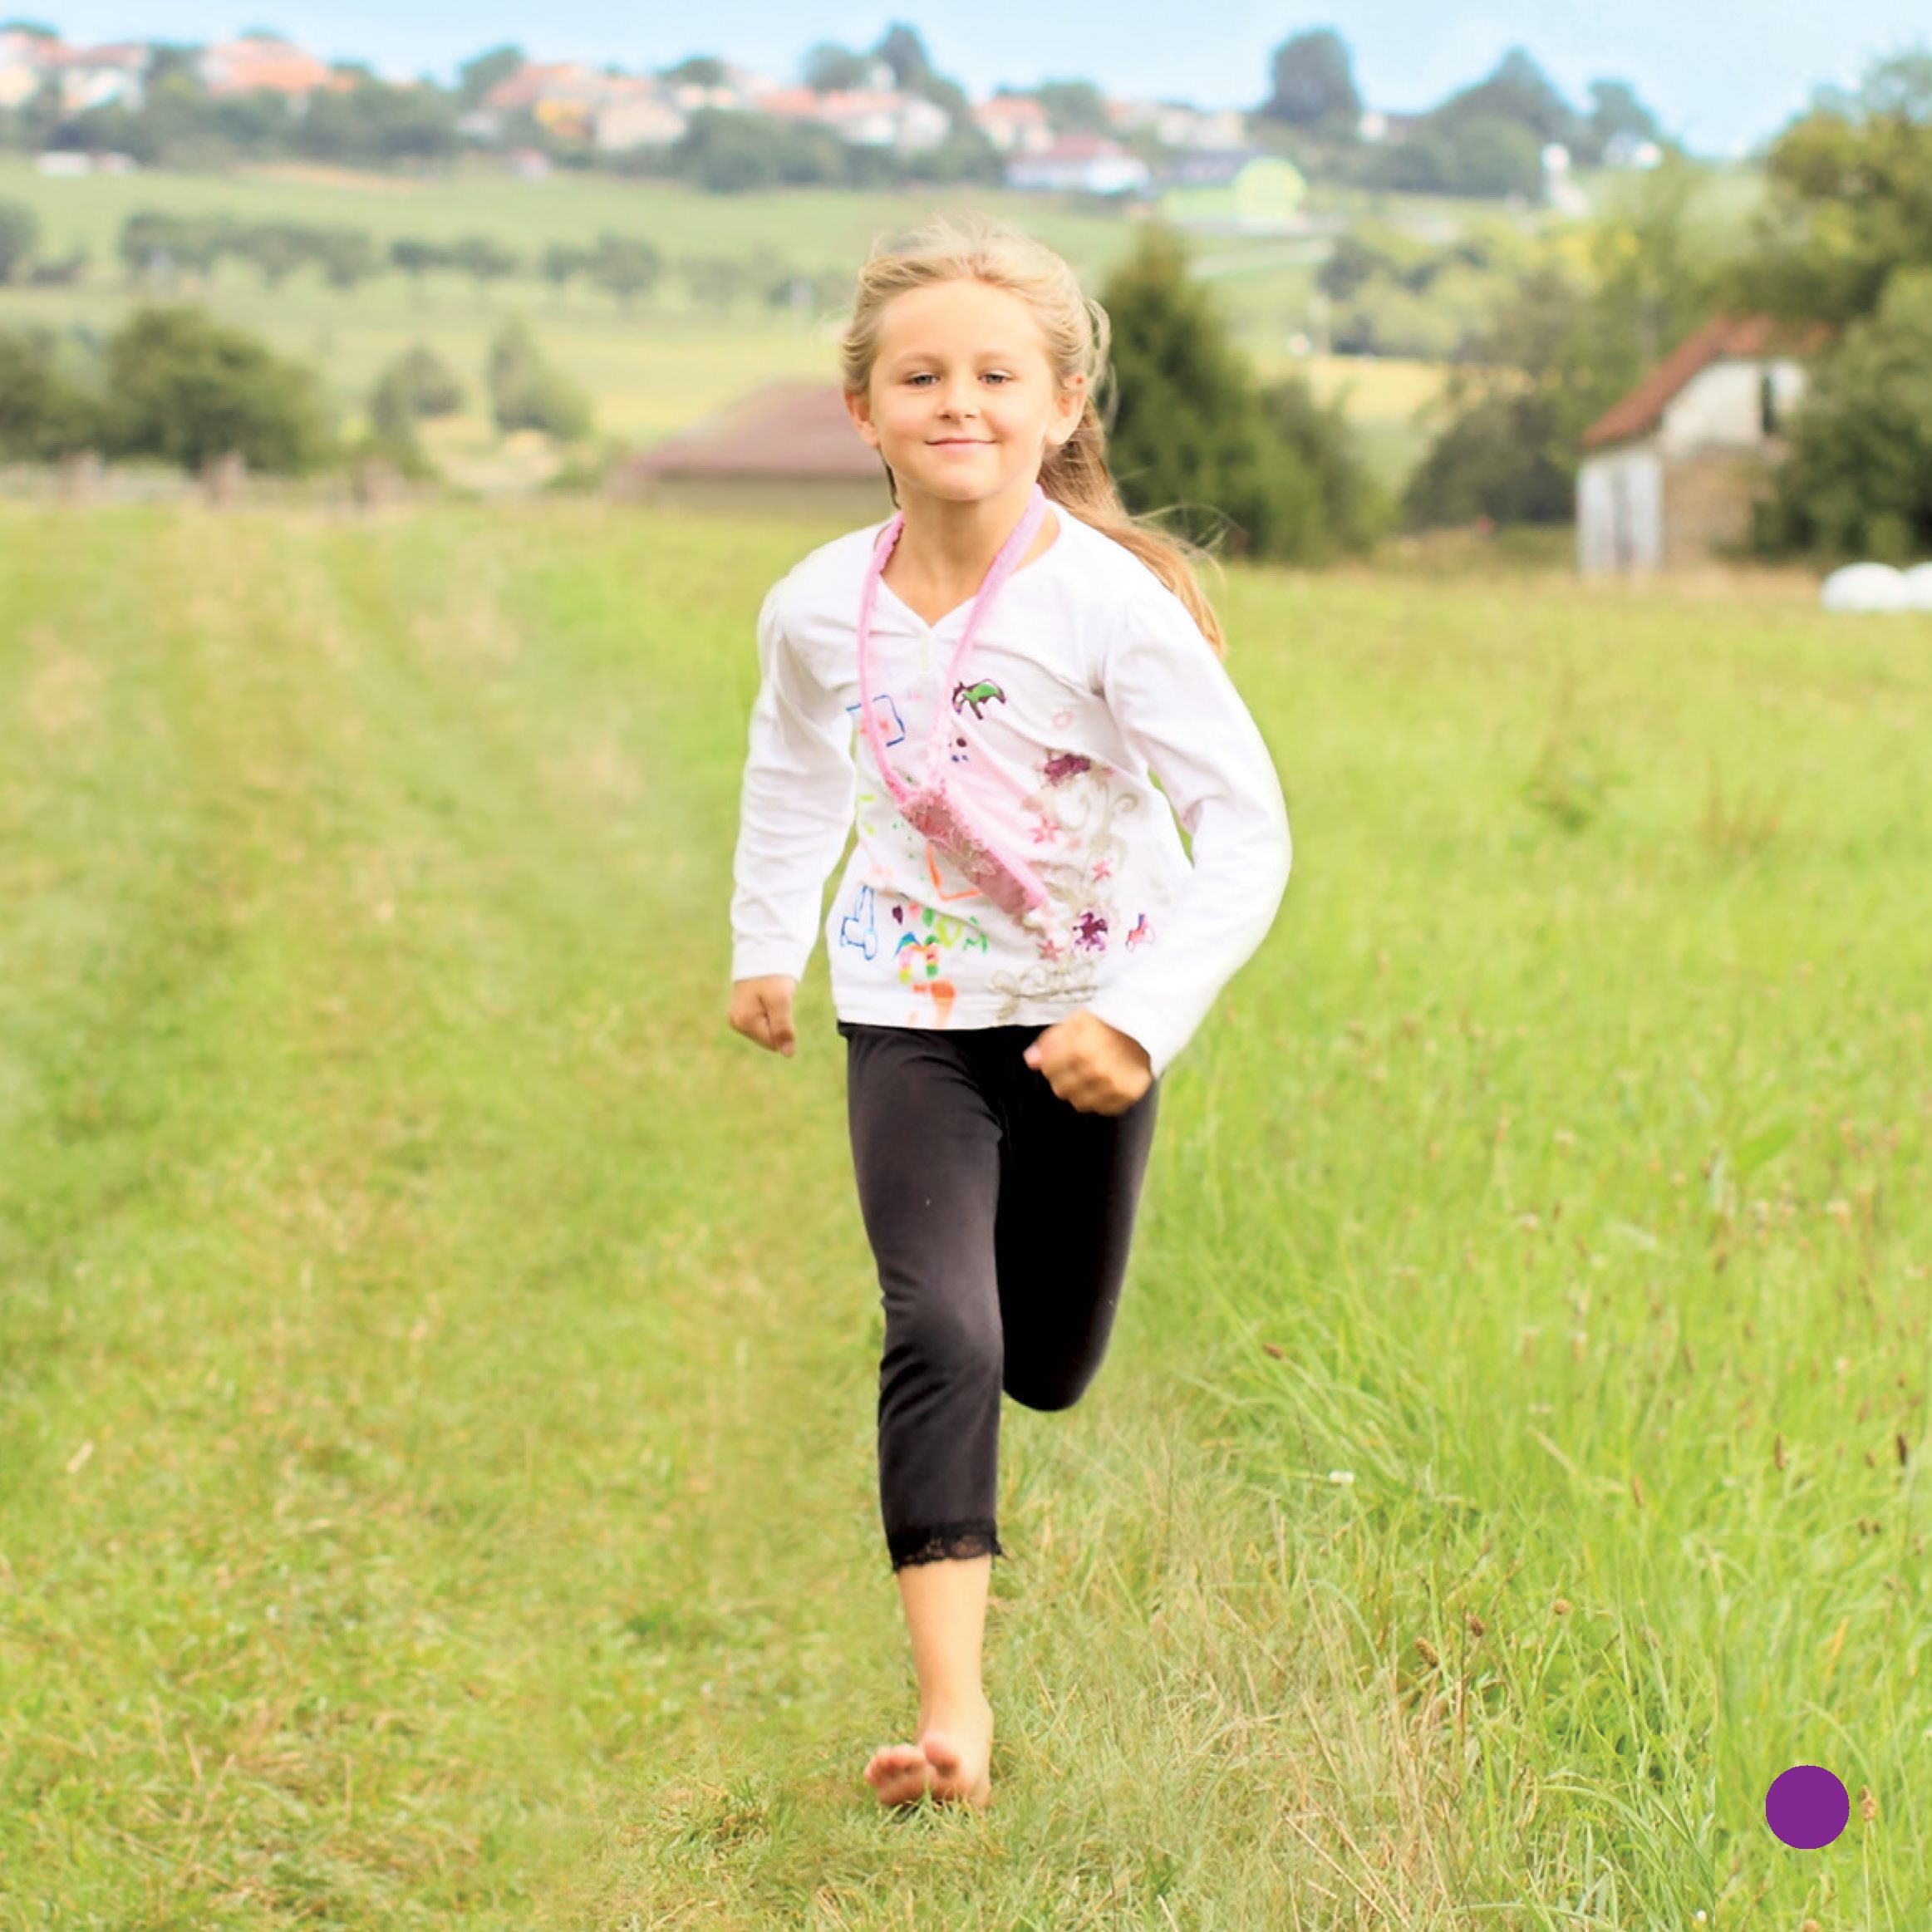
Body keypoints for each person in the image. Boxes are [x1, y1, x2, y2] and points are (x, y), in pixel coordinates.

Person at [726, 210, 1291, 1812]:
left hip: (1087, 1025)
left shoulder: (1113, 605)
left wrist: (1141, 1017)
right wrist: (767, 939)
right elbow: (787, 766)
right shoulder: (815, 601)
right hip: (906, 1004)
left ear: (1061, 408)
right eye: (919, 374)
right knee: (942, 1329)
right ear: (863, 409)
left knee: (1042, 1358)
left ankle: (1022, 1379)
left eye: (994, 373)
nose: (955, 401)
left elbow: (1246, 829)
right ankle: (952, 1712)